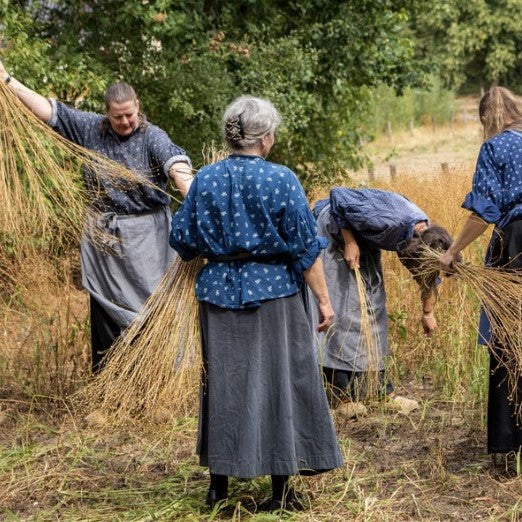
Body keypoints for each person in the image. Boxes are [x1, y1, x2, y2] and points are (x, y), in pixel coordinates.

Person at [169, 95, 343, 511]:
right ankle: (281, 492)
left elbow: (182, 240)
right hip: (275, 297)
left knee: (225, 386)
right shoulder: (281, 178)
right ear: (264, 138)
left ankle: (218, 489)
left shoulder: (205, 179)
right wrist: (324, 300)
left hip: (216, 297)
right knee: (280, 385)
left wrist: (219, 248)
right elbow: (305, 249)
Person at [0, 60, 193, 372]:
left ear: (138, 107)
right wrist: (6, 79)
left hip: (149, 243)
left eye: (129, 114)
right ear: (107, 113)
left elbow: (175, 164)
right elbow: (49, 111)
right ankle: (108, 381)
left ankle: (155, 377)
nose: (125, 121)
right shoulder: (90, 129)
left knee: (153, 309)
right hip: (104, 241)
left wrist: (191, 191)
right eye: (118, 117)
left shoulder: (152, 136)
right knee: (106, 311)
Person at [309, 188, 454, 411]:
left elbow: (428, 277)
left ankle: (379, 392)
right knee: (344, 309)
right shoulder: (389, 221)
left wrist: (428, 313)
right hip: (334, 228)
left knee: (373, 309)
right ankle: (341, 396)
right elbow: (338, 196)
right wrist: (349, 241)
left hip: (364, 236)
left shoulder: (428, 238)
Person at [440, 86, 522, 456]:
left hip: (516, 245)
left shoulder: (496, 148)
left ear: (489, 118)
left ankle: (511, 440)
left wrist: (452, 253)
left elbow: (484, 211)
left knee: (509, 340)